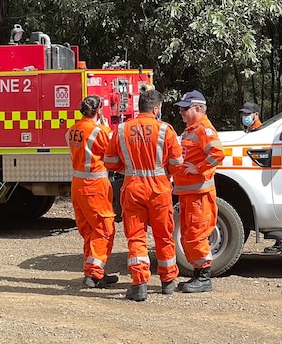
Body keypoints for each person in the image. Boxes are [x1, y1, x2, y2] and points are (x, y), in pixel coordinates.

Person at [104, 90, 183, 302]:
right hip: (159, 189)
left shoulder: (121, 130)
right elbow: (177, 163)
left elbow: (109, 161)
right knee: (164, 235)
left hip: (133, 187)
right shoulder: (166, 129)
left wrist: (128, 168)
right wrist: (164, 171)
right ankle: (167, 282)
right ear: (156, 109)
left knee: (136, 236)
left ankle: (139, 284)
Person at [173, 90, 225, 293]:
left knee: (195, 234)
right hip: (189, 193)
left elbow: (218, 153)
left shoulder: (203, 129)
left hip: (199, 194)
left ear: (197, 108)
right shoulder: (191, 130)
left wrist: (199, 167)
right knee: (187, 234)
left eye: (185, 109)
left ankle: (203, 277)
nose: (181, 112)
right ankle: (197, 274)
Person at [66, 95, 118, 289]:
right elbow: (111, 151)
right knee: (104, 229)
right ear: (98, 111)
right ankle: (95, 274)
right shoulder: (98, 131)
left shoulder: (73, 130)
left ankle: (93, 271)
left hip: (77, 184)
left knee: (89, 230)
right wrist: (106, 127)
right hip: (94, 185)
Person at [240, 101, 282, 255]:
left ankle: (281, 243)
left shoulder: (259, 132)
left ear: (256, 115)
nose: (245, 117)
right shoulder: (249, 130)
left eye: (248, 114)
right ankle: (280, 243)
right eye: (243, 114)